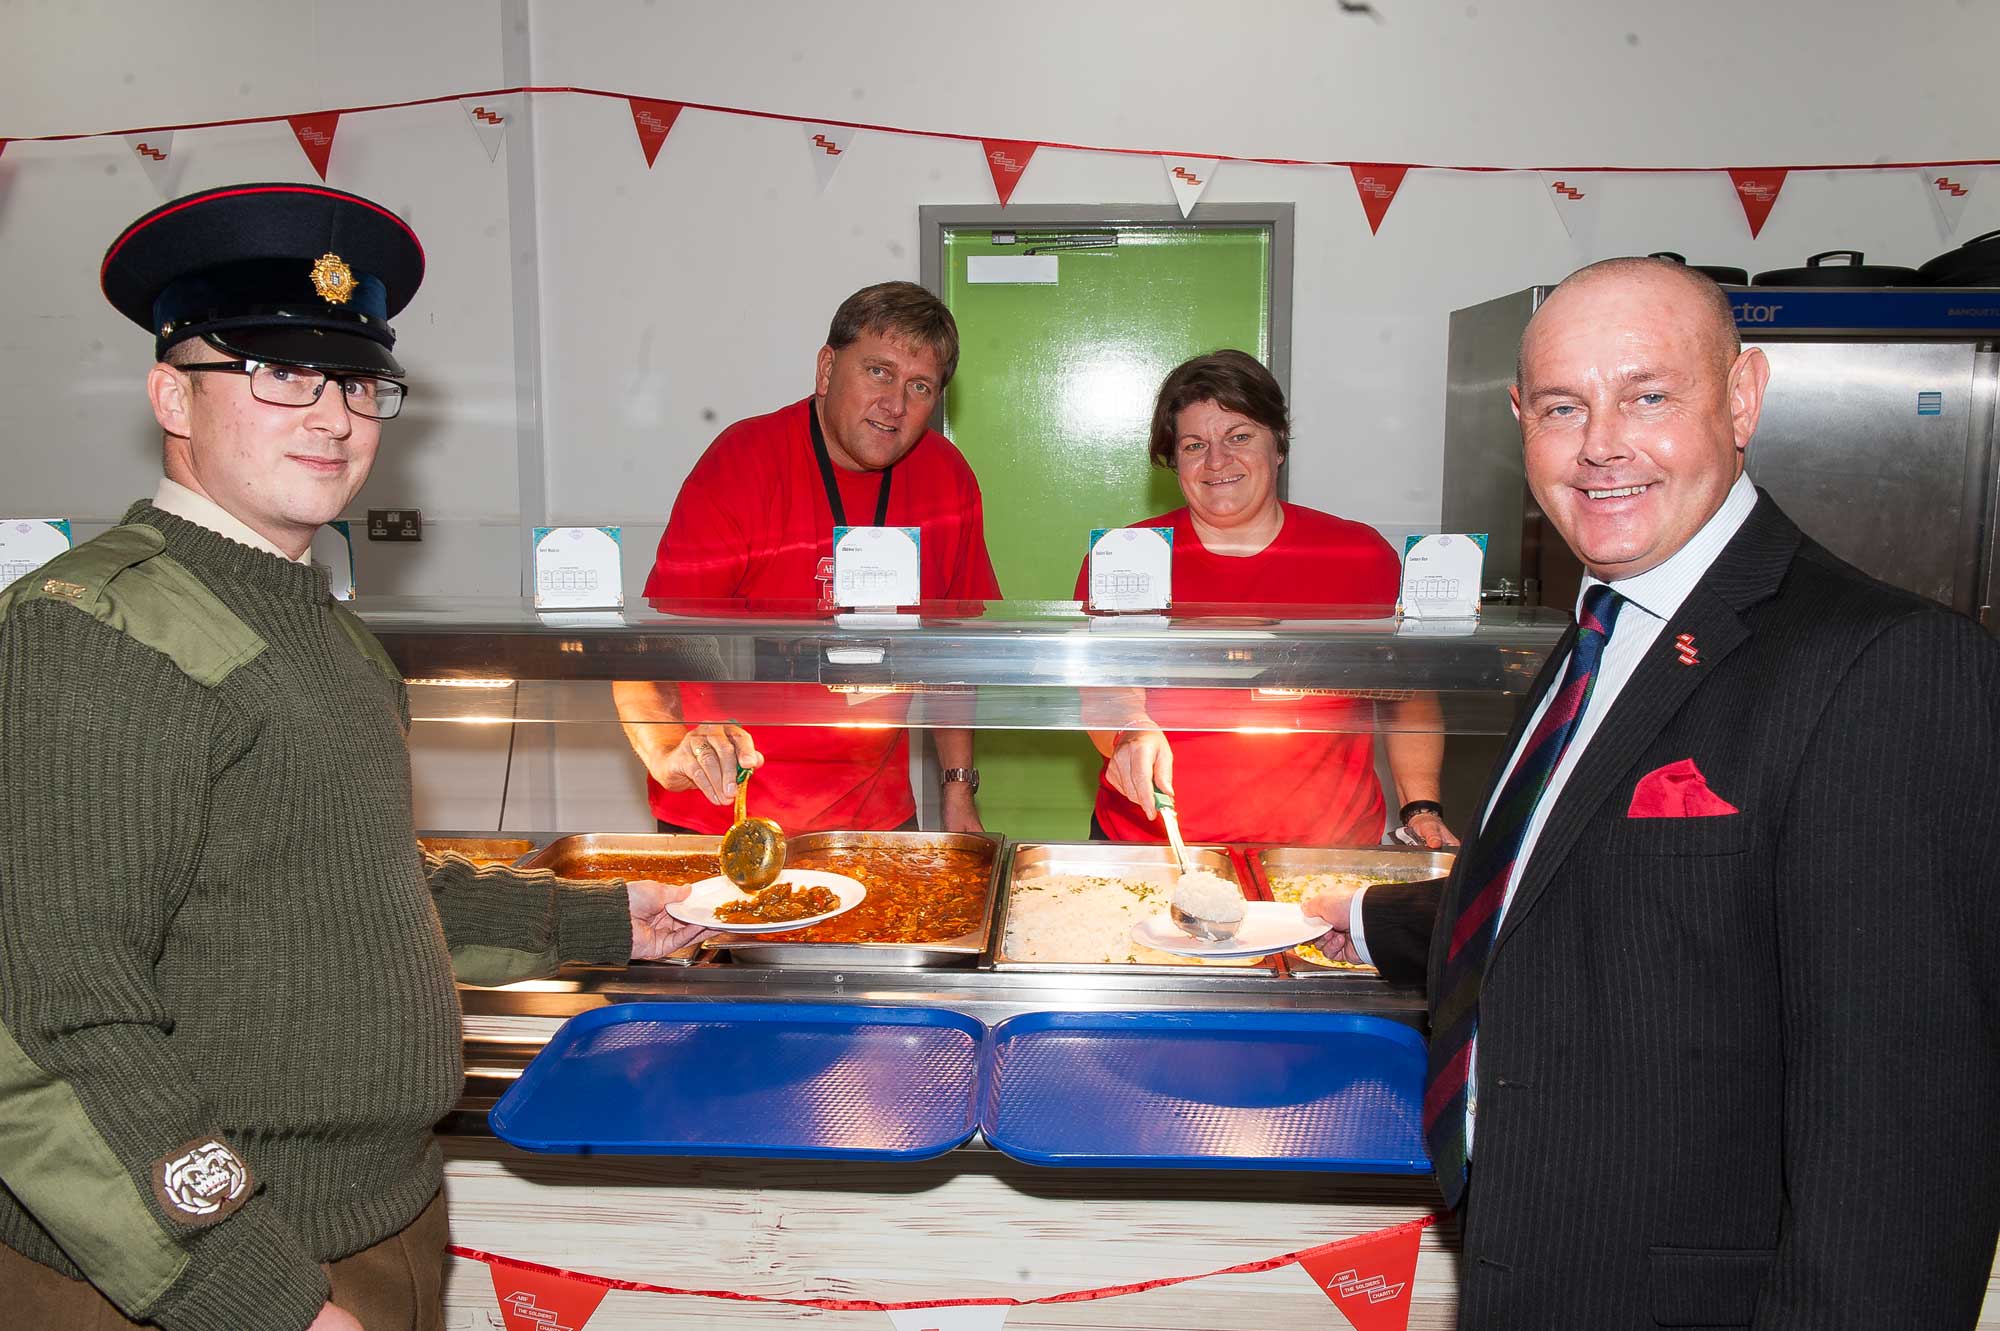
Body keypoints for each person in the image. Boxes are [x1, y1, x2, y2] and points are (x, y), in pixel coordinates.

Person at [0, 183, 706, 1331]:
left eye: (357, 381)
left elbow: (364, 882)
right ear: (171, 392)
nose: (333, 416)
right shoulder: (91, 632)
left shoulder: (320, 627)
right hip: (172, 1279)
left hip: (374, 1222)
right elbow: (55, 1025)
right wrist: (257, 1292)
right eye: (277, 372)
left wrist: (607, 919)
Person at [1306, 257, 2000, 1328]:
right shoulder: (1597, 628)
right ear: (1518, 421)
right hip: (1530, 1263)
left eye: (1646, 396)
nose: (1599, 445)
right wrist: (1353, 916)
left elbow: (1899, 1151)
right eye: (1561, 406)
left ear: (1740, 399)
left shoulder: (1885, 665)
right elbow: (1552, 896)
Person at [615, 281, 1001, 836]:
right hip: (725, 813)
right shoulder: (742, 465)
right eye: (878, 372)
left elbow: (955, 658)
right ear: (826, 369)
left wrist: (958, 790)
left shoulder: (949, 480)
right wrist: (666, 752)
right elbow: (645, 649)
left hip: (875, 817)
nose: (896, 405)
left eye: (920, 386)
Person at [1075, 350, 1455, 848]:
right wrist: (1130, 729)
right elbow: (1105, 687)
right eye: (1194, 445)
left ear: (1277, 444)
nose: (1217, 461)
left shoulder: (1358, 557)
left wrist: (1420, 807)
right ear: (1175, 460)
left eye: (1239, 436)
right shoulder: (1126, 556)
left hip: (1324, 853)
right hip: (1158, 845)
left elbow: (1408, 696)